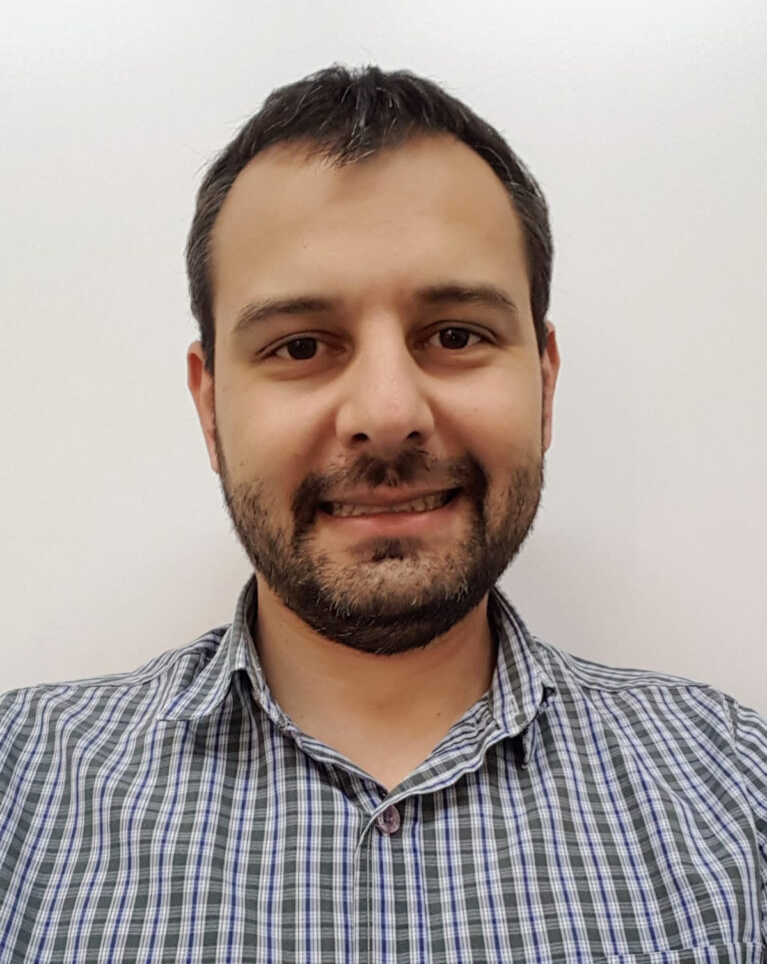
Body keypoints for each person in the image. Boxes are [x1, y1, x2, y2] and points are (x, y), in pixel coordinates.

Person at [0, 65, 765, 964]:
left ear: (544, 383)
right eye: (300, 346)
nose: (388, 412)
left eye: (455, 335)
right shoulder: (23, 789)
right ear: (209, 409)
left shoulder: (732, 787)